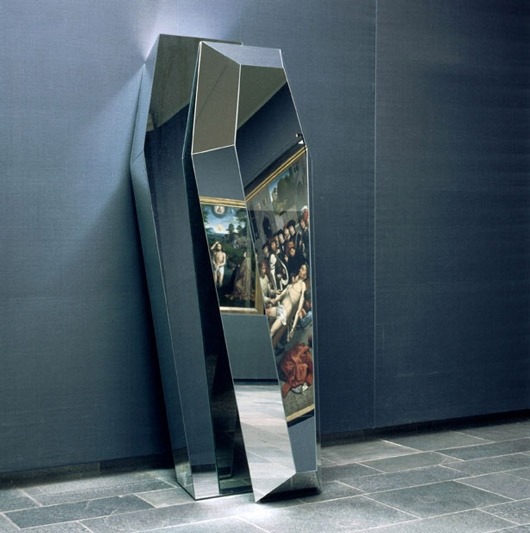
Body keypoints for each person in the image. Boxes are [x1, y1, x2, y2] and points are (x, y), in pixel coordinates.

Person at [267, 263, 309, 344]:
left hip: (284, 313)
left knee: (271, 331)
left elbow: (298, 310)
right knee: (267, 313)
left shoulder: (302, 285)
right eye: (300, 268)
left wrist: (293, 328)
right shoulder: (292, 284)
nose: (300, 270)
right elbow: (282, 295)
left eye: (303, 269)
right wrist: (273, 300)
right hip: (280, 308)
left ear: (305, 276)